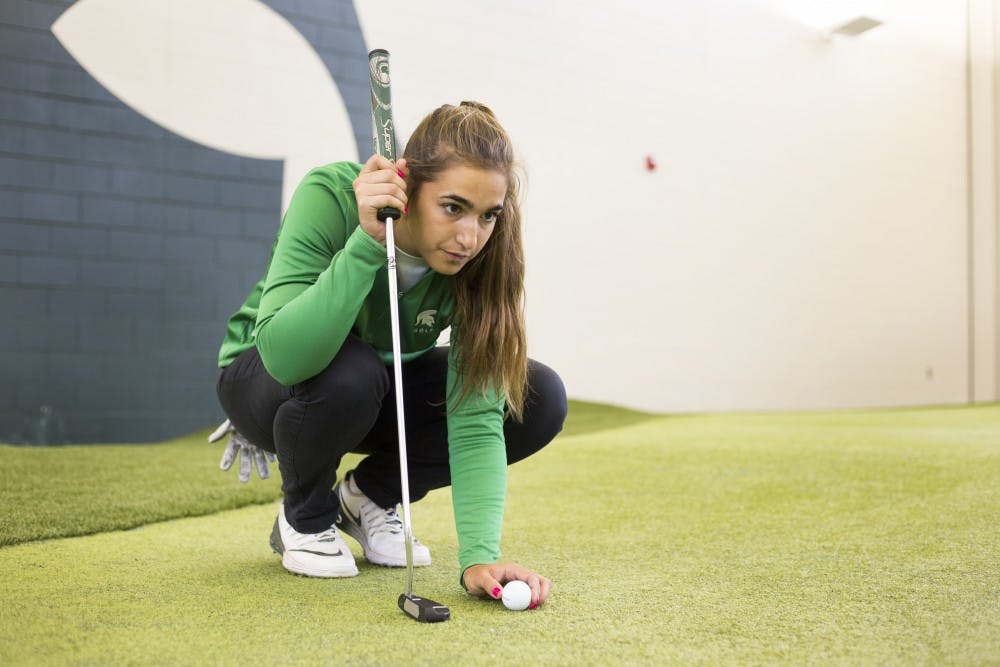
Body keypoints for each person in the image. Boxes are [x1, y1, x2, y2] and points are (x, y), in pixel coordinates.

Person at [213, 101, 567, 609]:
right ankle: (306, 517)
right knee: (352, 370)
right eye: (453, 207)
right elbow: (285, 357)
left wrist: (479, 557)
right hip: (266, 372)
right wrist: (366, 242)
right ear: (407, 186)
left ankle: (368, 497)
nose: (471, 237)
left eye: (488, 215)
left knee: (537, 397)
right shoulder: (329, 194)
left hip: (377, 380)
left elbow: (474, 417)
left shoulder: (485, 258)